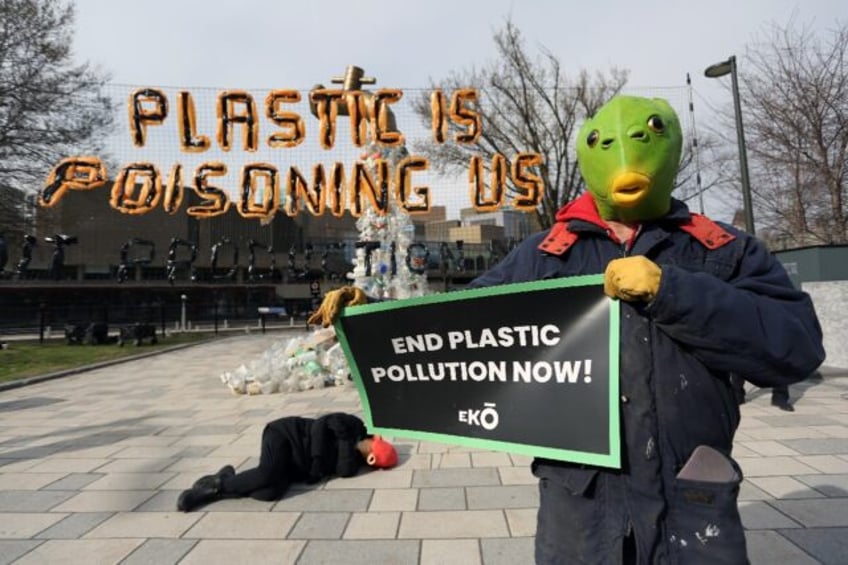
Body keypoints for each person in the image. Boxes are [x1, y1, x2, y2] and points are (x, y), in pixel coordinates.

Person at [309, 95, 824, 564]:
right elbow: (456, 328)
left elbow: (795, 347)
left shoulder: (722, 250)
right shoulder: (543, 256)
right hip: (579, 509)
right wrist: (371, 316)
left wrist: (674, 293)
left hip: (693, 500)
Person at [177, 412, 397, 512]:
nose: (369, 452)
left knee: (269, 492)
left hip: (293, 464)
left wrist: (352, 448)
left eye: (373, 457)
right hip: (286, 433)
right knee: (267, 474)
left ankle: (226, 479)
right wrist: (318, 462)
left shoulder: (353, 462)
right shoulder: (354, 425)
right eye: (374, 447)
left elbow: (344, 470)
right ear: (374, 439)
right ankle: (211, 489)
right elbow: (323, 423)